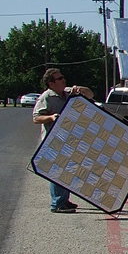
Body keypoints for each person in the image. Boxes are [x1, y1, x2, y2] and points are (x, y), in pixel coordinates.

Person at [32, 67, 95, 213]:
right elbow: (36, 118)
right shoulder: (46, 97)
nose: (63, 80)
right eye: (59, 78)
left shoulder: (68, 93)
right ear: (51, 83)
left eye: (63, 77)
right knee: (56, 172)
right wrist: (51, 117)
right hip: (53, 141)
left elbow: (90, 94)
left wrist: (81, 89)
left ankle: (64, 200)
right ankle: (57, 204)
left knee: (66, 171)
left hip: (68, 140)